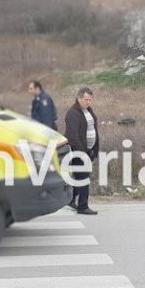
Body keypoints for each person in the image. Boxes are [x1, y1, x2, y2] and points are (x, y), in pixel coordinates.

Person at [64, 87, 99, 215]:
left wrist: (93, 149)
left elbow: (92, 130)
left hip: (87, 151)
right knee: (83, 178)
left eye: (90, 99)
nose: (88, 102)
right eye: (86, 99)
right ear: (79, 98)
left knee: (80, 177)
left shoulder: (88, 111)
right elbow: (72, 137)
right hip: (78, 152)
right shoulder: (73, 113)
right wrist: (83, 152)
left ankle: (71, 199)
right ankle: (83, 206)